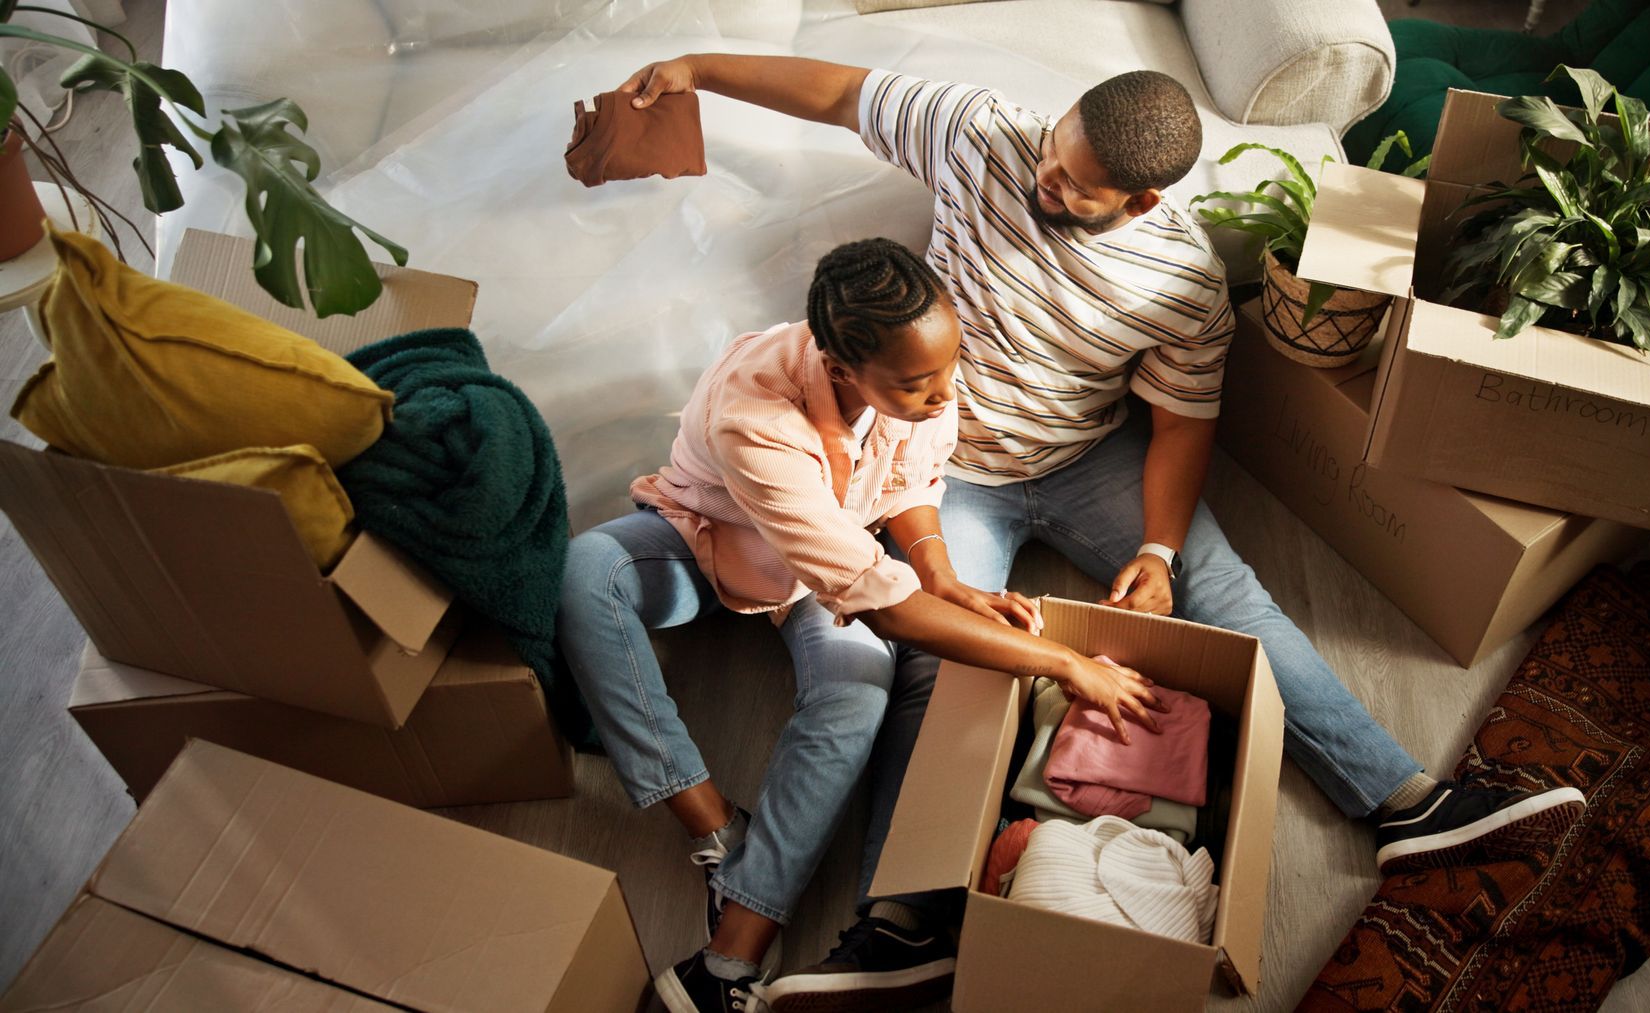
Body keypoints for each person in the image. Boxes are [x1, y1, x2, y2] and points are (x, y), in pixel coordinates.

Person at [619, 56, 1587, 1013]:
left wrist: (1160, 553)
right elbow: (840, 94)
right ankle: (900, 923)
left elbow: (1180, 422)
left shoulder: (1183, 282)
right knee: (930, 665)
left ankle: (1405, 805)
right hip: (944, 467)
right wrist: (697, 69)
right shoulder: (981, 133)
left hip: (1085, 457)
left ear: (1140, 199)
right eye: (1053, 152)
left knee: (1225, 591)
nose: (1046, 178)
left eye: (1076, 185)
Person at [557, 238, 1163, 1013]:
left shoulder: (923, 375)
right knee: (585, 572)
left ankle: (725, 960)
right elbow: (887, 606)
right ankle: (712, 825)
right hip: (707, 538)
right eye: (917, 385)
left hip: (825, 561)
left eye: (948, 370)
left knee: (861, 690)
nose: (944, 394)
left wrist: (943, 574)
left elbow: (912, 484)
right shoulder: (756, 411)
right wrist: (1061, 662)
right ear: (842, 368)